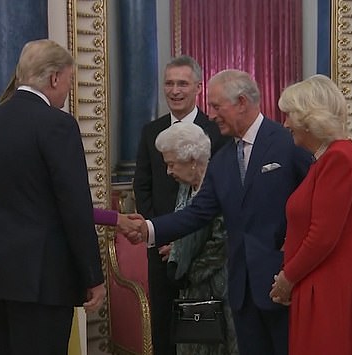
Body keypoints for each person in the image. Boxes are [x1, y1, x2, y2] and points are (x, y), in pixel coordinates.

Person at [125, 69, 313, 355]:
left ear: (241, 102)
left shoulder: (287, 142)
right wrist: (149, 229)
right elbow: (197, 212)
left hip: (283, 283)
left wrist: (296, 256)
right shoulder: (223, 158)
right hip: (240, 290)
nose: (211, 115)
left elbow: (315, 200)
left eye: (216, 106)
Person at [0, 39, 106, 355]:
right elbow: (74, 205)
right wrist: (93, 275)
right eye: (69, 81)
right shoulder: (57, 124)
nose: (67, 92)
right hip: (43, 279)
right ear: (54, 78)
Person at [269, 74, 352, 354]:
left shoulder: (338, 158)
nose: (285, 123)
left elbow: (322, 236)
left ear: (312, 119)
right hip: (321, 285)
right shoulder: (329, 158)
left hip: (330, 289)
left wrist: (288, 278)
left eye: (291, 115)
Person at [133, 55, 227, 355]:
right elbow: (142, 186)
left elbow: (221, 195)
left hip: (205, 256)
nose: (175, 90)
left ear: (197, 87)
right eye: (169, 83)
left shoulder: (217, 131)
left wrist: (184, 241)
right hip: (160, 250)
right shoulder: (151, 131)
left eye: (182, 83)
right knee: (164, 325)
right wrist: (161, 234)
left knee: (204, 329)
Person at [155, 122, 238, 355]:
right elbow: (185, 228)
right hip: (190, 290)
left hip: (219, 288)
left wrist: (189, 269)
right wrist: (177, 250)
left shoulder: (218, 184)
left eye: (171, 164)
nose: (168, 172)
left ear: (192, 160)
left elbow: (221, 241)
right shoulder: (186, 186)